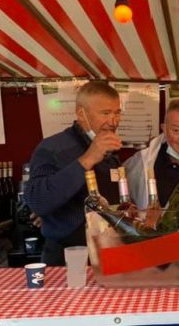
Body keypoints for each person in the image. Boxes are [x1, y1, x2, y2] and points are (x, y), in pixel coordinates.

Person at [24, 81, 123, 265]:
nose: (113, 121)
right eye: (105, 113)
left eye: (117, 113)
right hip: (66, 258)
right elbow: (37, 201)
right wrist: (87, 159)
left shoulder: (111, 153)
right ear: (81, 114)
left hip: (107, 255)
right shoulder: (52, 148)